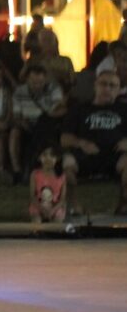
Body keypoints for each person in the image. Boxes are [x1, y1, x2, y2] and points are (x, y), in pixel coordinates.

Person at [60, 67, 127, 216]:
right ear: (95, 85)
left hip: (115, 156)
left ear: (118, 90)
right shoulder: (79, 109)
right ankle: (73, 206)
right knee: (68, 162)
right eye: (103, 84)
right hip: (85, 155)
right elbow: (65, 139)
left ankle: (124, 205)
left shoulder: (124, 110)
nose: (107, 89)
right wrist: (81, 143)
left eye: (112, 86)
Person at [10, 62, 67, 179]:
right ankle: (17, 170)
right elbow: (16, 115)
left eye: (40, 82)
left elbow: (60, 108)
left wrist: (50, 115)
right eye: (34, 82)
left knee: (44, 126)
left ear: (45, 79)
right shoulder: (19, 92)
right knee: (15, 133)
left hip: (48, 123)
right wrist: (23, 123)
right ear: (27, 80)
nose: (37, 86)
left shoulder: (53, 89)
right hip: (26, 123)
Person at [29, 145, 67, 223]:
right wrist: (42, 209)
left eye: (52, 155)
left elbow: (62, 199)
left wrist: (52, 210)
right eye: (44, 155)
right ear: (39, 157)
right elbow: (32, 196)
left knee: (56, 225)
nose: (48, 158)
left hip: (55, 207)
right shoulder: (35, 174)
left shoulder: (61, 177)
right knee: (36, 223)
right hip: (39, 206)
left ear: (57, 158)